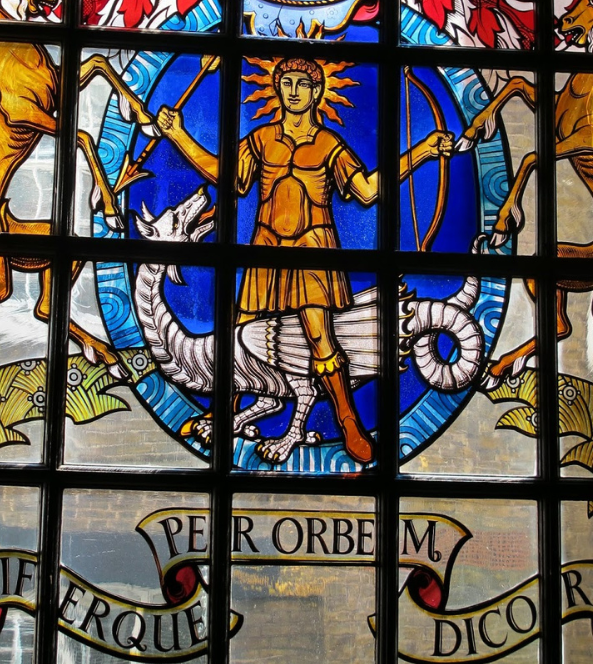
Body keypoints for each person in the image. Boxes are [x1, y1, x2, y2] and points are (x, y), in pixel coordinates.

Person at [156, 56, 453, 463]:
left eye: (302, 84)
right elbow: (228, 176)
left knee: (319, 337)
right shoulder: (263, 139)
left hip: (314, 249)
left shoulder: (329, 145)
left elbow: (367, 191)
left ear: (317, 92)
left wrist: (422, 151)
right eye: (287, 83)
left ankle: (348, 422)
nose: (293, 91)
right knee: (237, 334)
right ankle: (222, 411)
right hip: (264, 248)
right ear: (277, 88)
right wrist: (178, 134)